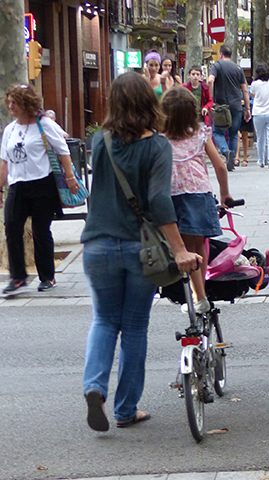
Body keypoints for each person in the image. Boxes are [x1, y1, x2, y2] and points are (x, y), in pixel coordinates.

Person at [81, 72, 201, 432]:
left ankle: (94, 387)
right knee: (134, 326)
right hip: (141, 250)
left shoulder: (100, 142)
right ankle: (125, 409)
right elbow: (160, 201)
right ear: (150, 101)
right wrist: (179, 250)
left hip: (97, 244)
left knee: (104, 320)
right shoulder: (158, 146)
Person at [161, 86, 233, 313]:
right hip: (200, 193)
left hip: (172, 195)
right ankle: (199, 295)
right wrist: (225, 195)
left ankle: (190, 294)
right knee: (200, 244)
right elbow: (220, 166)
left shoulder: (160, 139)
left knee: (181, 246)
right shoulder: (200, 134)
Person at [0, 84, 77, 294]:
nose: (11, 106)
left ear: (27, 103)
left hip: (42, 184)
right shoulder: (10, 129)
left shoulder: (44, 124)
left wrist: (70, 179)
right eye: (9, 102)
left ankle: (47, 277)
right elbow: (4, 161)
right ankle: (18, 278)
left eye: (15, 102)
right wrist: (0, 188)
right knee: (12, 228)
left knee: (40, 231)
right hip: (17, 186)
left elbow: (63, 151)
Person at [207, 44, 251, 171]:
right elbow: (245, 89)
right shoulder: (238, 68)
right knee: (233, 134)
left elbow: (210, 80)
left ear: (220, 54)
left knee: (218, 132)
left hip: (221, 105)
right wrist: (247, 108)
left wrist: (211, 99)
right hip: (237, 105)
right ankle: (231, 162)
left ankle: (226, 152)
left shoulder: (217, 65)